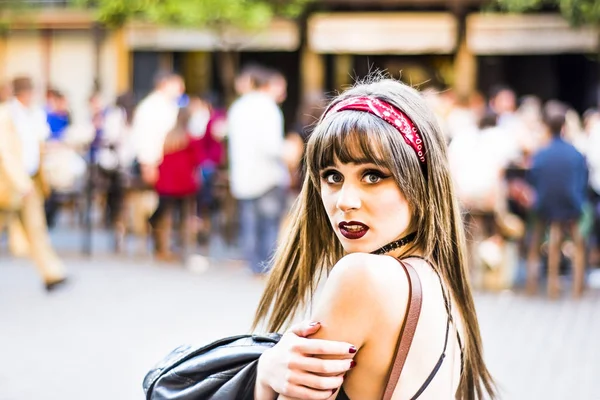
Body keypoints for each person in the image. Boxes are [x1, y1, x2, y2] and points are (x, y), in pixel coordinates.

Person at [251, 78, 496, 399]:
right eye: (332, 176)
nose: (345, 201)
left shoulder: (363, 277)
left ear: (420, 180)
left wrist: (265, 376)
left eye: (373, 175)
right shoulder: (441, 281)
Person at [0, 76, 67, 292]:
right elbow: (5, 154)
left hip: (30, 181)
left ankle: (52, 273)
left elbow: (38, 143)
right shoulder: (6, 115)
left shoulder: (32, 114)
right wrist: (21, 182)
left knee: (37, 229)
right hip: (10, 183)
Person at [227, 67, 289, 275]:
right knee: (268, 225)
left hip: (244, 177)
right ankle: (266, 267)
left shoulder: (237, 107)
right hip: (267, 176)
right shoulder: (267, 108)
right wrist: (288, 152)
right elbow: (272, 146)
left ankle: (253, 266)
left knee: (250, 224)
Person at [526, 101, 588, 298]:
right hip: (571, 206)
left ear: (547, 127)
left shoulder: (541, 153)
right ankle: (578, 287)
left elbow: (533, 179)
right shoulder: (576, 153)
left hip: (545, 206)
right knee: (585, 220)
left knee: (535, 228)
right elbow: (582, 181)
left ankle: (535, 284)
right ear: (564, 127)